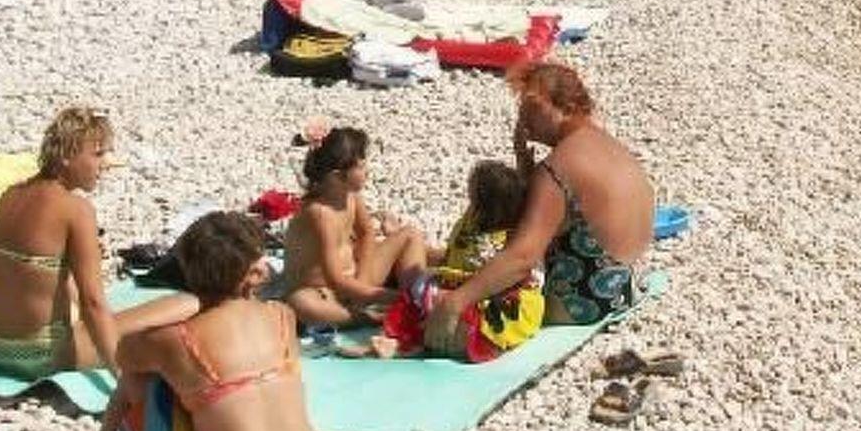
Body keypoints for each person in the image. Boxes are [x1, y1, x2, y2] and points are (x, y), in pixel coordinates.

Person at [117, 213, 330, 431]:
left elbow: (121, 351)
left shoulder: (175, 340)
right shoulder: (283, 316)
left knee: (146, 380)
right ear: (253, 273)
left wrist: (181, 306)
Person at [425, 62, 653, 349]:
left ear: (567, 107)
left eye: (533, 106)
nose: (523, 116)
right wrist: (526, 173)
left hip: (577, 305)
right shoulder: (608, 146)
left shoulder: (557, 169)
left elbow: (522, 258)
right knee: (455, 266)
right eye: (522, 106)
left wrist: (455, 303)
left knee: (435, 304)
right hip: (619, 289)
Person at [0, 108, 195, 382]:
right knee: (187, 303)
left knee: (63, 278)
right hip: (42, 357)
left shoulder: (9, 196)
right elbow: (93, 304)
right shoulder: (75, 209)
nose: (106, 164)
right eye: (98, 154)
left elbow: (26, 275)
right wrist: (121, 379)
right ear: (66, 156)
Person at [387, 161, 546, 361]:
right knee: (419, 297)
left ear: (481, 205)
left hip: (497, 299)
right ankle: (415, 338)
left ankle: (413, 341)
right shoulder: (478, 223)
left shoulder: (510, 243)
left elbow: (493, 281)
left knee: (452, 313)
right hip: (462, 289)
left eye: (472, 198)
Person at [279, 128, 429, 329]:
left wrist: (363, 280)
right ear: (337, 177)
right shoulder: (320, 213)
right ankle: (365, 318)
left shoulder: (350, 194)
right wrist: (383, 295)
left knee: (411, 235)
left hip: (356, 278)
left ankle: (415, 298)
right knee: (301, 303)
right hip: (324, 290)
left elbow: (366, 233)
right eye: (361, 166)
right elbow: (334, 279)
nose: (368, 171)